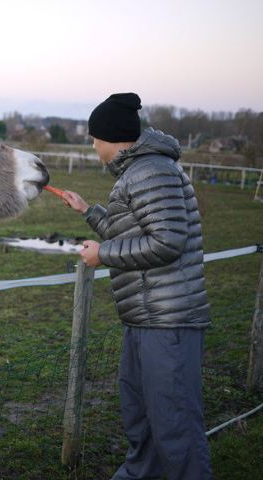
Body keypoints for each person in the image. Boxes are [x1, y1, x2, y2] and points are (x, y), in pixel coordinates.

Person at [62, 93, 213, 479]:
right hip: (146, 317)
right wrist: (88, 211)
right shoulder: (138, 172)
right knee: (142, 417)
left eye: (95, 138)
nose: (93, 146)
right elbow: (134, 233)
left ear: (113, 138)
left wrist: (104, 255)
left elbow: (166, 242)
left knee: (174, 423)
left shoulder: (151, 171)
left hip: (168, 321)